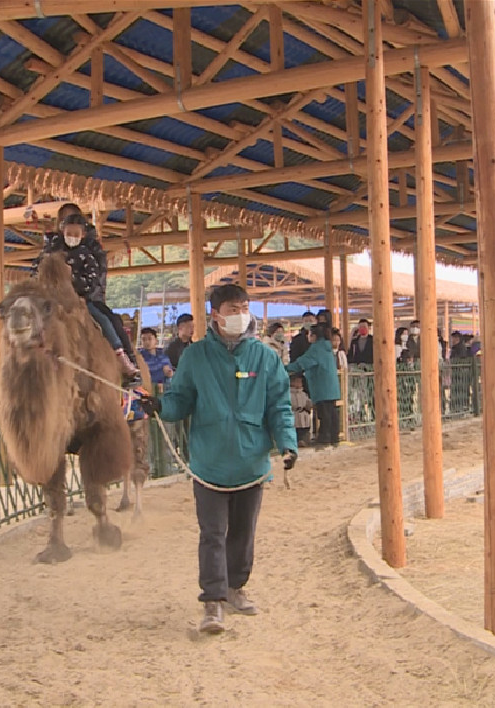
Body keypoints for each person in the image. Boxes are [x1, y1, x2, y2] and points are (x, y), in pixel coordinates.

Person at [139, 283, 296, 635]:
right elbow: (180, 399)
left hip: (251, 463)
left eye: (244, 307)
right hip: (209, 464)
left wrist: (288, 443)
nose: (240, 314)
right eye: (232, 308)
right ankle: (212, 602)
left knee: (243, 532)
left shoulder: (265, 357)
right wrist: (161, 406)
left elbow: (280, 406)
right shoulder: (195, 357)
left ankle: (235, 588)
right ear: (215, 315)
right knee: (212, 533)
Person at [33, 208, 141, 381]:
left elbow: (94, 278)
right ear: (61, 227)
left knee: (106, 320)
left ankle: (123, 357)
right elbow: (36, 270)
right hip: (51, 299)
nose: (72, 235)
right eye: (69, 230)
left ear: (83, 233)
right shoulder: (50, 250)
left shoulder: (88, 251)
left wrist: (71, 279)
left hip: (82, 299)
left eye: (76, 232)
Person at [286, 323, 341, 446]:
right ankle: (334, 438)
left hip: (322, 386)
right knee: (331, 412)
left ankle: (325, 438)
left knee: (324, 414)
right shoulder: (326, 347)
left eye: (309, 334)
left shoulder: (316, 349)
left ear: (314, 336)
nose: (308, 336)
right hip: (331, 387)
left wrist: (284, 368)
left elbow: (302, 363)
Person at [289, 375, 313, 447]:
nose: (299, 383)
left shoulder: (303, 394)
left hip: (303, 415)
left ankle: (302, 441)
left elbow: (308, 403)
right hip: (294, 414)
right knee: (295, 429)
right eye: (297, 382)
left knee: (304, 429)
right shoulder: (288, 394)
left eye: (300, 382)